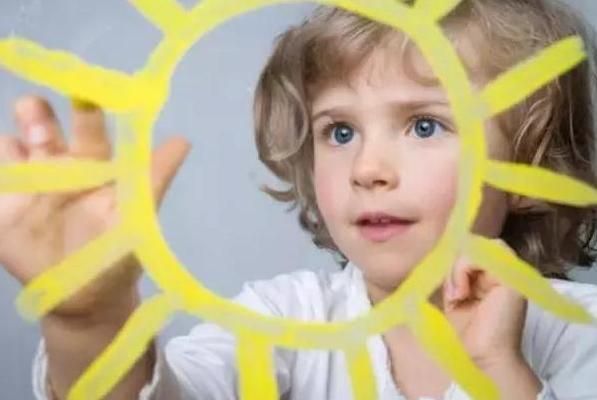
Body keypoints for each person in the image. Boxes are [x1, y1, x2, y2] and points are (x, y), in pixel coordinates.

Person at [0, 0, 596, 399]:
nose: (366, 168)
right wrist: (89, 320)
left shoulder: (582, 336)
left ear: (526, 165)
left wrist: (497, 372)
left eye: (423, 125)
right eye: (339, 132)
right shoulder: (280, 319)